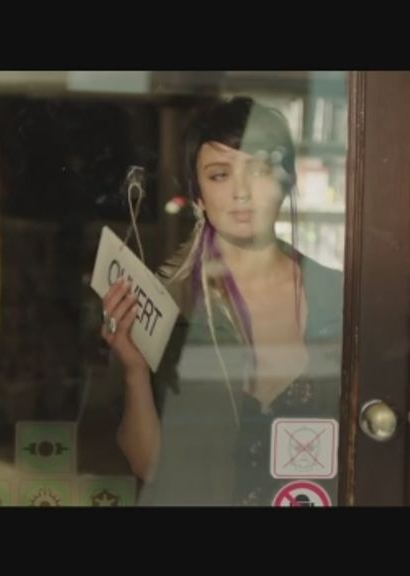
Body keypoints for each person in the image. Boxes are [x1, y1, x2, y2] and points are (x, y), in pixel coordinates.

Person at [99, 97, 343, 506]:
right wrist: (135, 371)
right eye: (219, 175)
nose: (241, 192)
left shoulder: (335, 296)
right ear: (197, 196)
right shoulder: (169, 305)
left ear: (286, 182)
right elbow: (149, 465)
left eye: (259, 170)